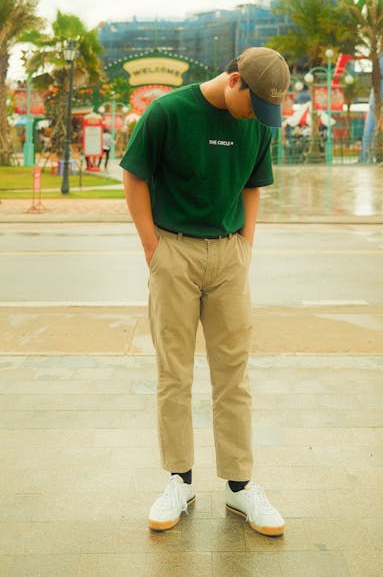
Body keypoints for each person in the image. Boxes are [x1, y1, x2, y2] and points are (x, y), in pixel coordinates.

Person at [121, 47, 290, 537]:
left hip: (229, 257)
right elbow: (134, 176)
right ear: (234, 80)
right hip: (174, 251)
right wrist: (153, 247)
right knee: (174, 371)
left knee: (233, 375)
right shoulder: (169, 112)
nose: (259, 118)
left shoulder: (258, 121)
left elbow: (254, 185)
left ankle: (240, 487)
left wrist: (246, 245)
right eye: (255, 105)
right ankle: (179, 480)